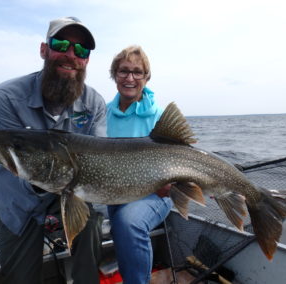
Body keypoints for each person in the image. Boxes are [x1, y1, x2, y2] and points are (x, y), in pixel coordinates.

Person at [0, 16, 106, 284]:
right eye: (61, 44)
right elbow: (14, 155)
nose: (70, 55)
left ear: (86, 60)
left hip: (72, 191)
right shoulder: (5, 97)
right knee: (19, 278)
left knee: (90, 229)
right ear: (44, 49)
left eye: (81, 50)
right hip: (20, 199)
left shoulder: (95, 103)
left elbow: (100, 159)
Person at [106, 45, 173, 284]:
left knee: (129, 222)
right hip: (114, 195)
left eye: (138, 72)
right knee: (122, 234)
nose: (130, 78)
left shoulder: (159, 115)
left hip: (155, 194)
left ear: (146, 77)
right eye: (124, 71)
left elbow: (182, 156)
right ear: (115, 75)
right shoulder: (103, 115)